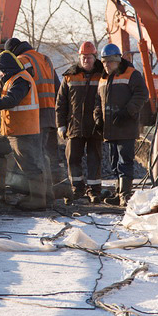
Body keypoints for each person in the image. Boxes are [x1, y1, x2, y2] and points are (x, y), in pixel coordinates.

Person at [0, 50, 50, 210]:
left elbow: (12, 99)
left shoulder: (21, 80)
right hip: (12, 131)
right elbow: (1, 85)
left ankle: (39, 200)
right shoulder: (14, 78)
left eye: (0, 70)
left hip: (23, 131)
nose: (0, 74)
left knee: (29, 165)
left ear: (6, 69)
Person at [4, 38, 65, 186]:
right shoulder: (45, 58)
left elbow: (11, 84)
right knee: (50, 154)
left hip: (35, 114)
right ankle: (58, 189)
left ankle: (43, 194)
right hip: (51, 112)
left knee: (38, 156)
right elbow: (58, 87)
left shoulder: (20, 61)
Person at [93, 43, 148, 206]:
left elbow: (142, 94)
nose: (106, 65)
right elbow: (98, 101)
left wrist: (128, 111)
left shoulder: (132, 74)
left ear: (118, 60)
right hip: (110, 129)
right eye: (104, 62)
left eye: (109, 61)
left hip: (126, 128)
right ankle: (119, 193)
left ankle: (125, 195)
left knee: (125, 161)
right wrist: (98, 117)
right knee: (114, 162)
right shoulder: (103, 78)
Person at [56, 41, 104, 202]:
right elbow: (61, 103)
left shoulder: (103, 75)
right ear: (79, 57)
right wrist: (61, 125)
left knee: (94, 158)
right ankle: (77, 189)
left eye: (89, 57)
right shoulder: (69, 76)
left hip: (96, 127)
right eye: (83, 57)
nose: (86, 60)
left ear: (94, 57)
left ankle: (94, 191)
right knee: (72, 158)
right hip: (74, 126)